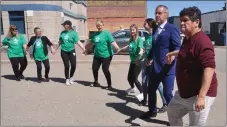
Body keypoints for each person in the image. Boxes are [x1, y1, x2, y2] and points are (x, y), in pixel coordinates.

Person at [166, 6, 218, 126]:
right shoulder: (188, 38)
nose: (182, 23)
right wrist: (173, 53)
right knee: (172, 112)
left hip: (199, 94)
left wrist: (201, 96)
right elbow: (189, 53)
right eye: (181, 20)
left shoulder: (203, 42)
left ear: (196, 22)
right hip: (184, 93)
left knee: (196, 124)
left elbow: (209, 68)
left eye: (185, 20)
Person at [140, 5, 181, 119]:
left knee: (168, 94)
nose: (157, 15)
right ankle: (152, 111)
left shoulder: (172, 29)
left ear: (166, 14)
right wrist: (149, 57)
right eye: (156, 13)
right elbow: (154, 47)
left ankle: (175, 117)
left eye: (159, 13)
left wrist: (172, 56)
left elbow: (178, 47)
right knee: (151, 90)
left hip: (168, 68)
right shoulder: (155, 29)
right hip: (155, 68)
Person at [138, 18, 167, 112]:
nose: (143, 25)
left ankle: (165, 103)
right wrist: (141, 57)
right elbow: (145, 49)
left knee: (158, 85)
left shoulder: (156, 36)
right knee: (144, 82)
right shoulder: (146, 36)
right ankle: (145, 99)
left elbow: (159, 51)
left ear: (149, 25)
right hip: (145, 62)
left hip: (153, 64)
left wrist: (153, 60)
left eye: (145, 23)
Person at [85, 20, 120, 89]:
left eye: (100, 25)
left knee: (105, 70)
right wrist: (86, 48)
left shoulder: (106, 33)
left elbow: (112, 41)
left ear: (103, 25)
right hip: (97, 55)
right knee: (94, 69)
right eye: (98, 25)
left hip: (106, 55)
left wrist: (117, 48)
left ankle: (109, 85)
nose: (99, 27)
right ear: (96, 26)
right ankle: (96, 82)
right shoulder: (95, 34)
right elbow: (92, 42)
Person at [55, 20, 86, 86]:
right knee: (67, 65)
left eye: (64, 25)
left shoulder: (74, 33)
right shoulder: (62, 33)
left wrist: (84, 49)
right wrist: (55, 49)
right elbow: (59, 42)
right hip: (64, 51)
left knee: (73, 65)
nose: (63, 26)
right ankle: (67, 78)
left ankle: (71, 77)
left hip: (72, 51)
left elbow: (78, 42)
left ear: (68, 25)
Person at [118, 24, 144, 97]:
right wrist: (121, 49)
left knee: (135, 79)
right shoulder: (131, 39)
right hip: (133, 62)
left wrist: (139, 55)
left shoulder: (139, 39)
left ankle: (142, 94)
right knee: (129, 78)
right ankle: (133, 88)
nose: (132, 31)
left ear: (136, 30)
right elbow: (128, 46)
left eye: (133, 30)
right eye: (131, 30)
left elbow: (141, 49)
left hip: (138, 62)